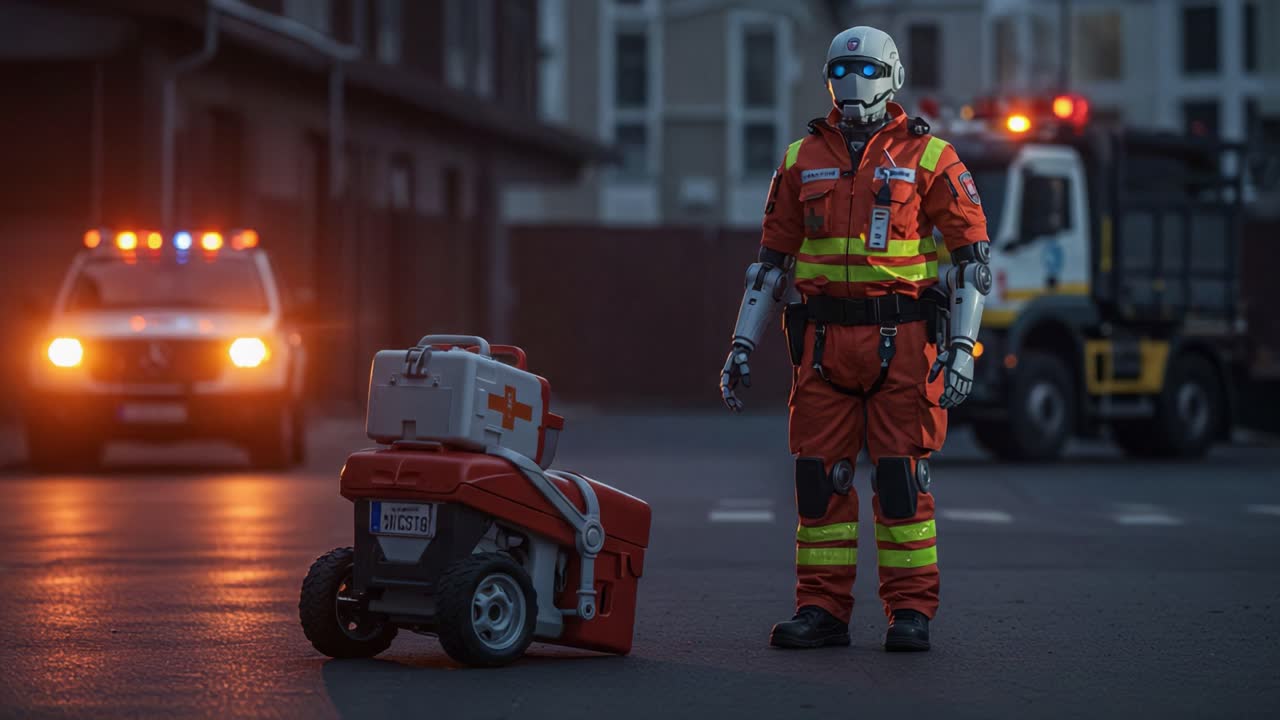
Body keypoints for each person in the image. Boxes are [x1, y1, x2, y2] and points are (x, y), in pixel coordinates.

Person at [719, 25, 991, 652]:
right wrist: (740, 345)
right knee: (819, 483)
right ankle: (821, 611)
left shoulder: (931, 157)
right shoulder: (798, 160)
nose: (852, 85)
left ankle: (910, 613)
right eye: (841, 74)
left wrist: (962, 349)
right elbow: (769, 265)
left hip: (905, 340)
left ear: (892, 78)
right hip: (821, 345)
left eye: (866, 72)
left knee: (901, 482)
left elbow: (973, 261)